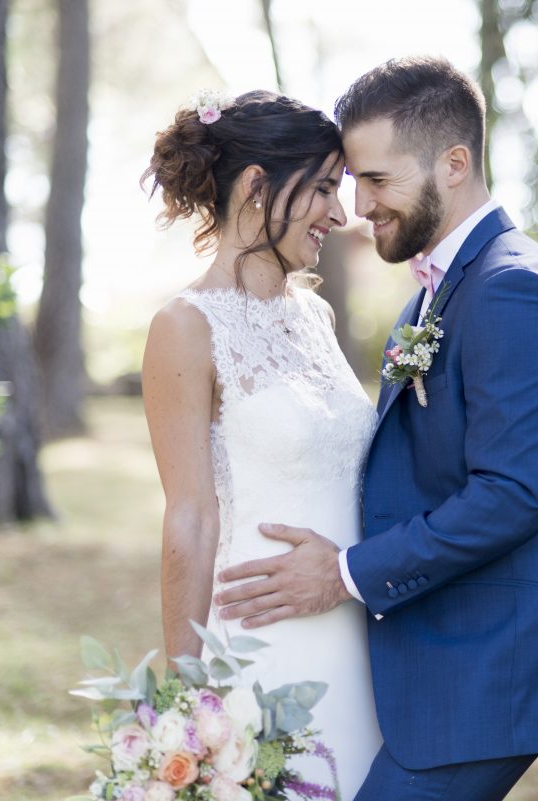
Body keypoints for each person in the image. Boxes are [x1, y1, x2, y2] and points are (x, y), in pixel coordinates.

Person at [214, 58, 538, 801]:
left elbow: (509, 495)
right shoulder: (436, 295)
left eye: (376, 180)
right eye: (351, 182)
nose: (357, 205)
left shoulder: (516, 290)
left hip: (493, 666)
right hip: (435, 650)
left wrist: (343, 573)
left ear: (455, 163)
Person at [139, 89, 381, 798]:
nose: (341, 214)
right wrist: (186, 705)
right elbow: (189, 514)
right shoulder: (185, 325)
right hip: (262, 641)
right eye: (324, 190)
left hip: (355, 635)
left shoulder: (316, 313)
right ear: (255, 186)